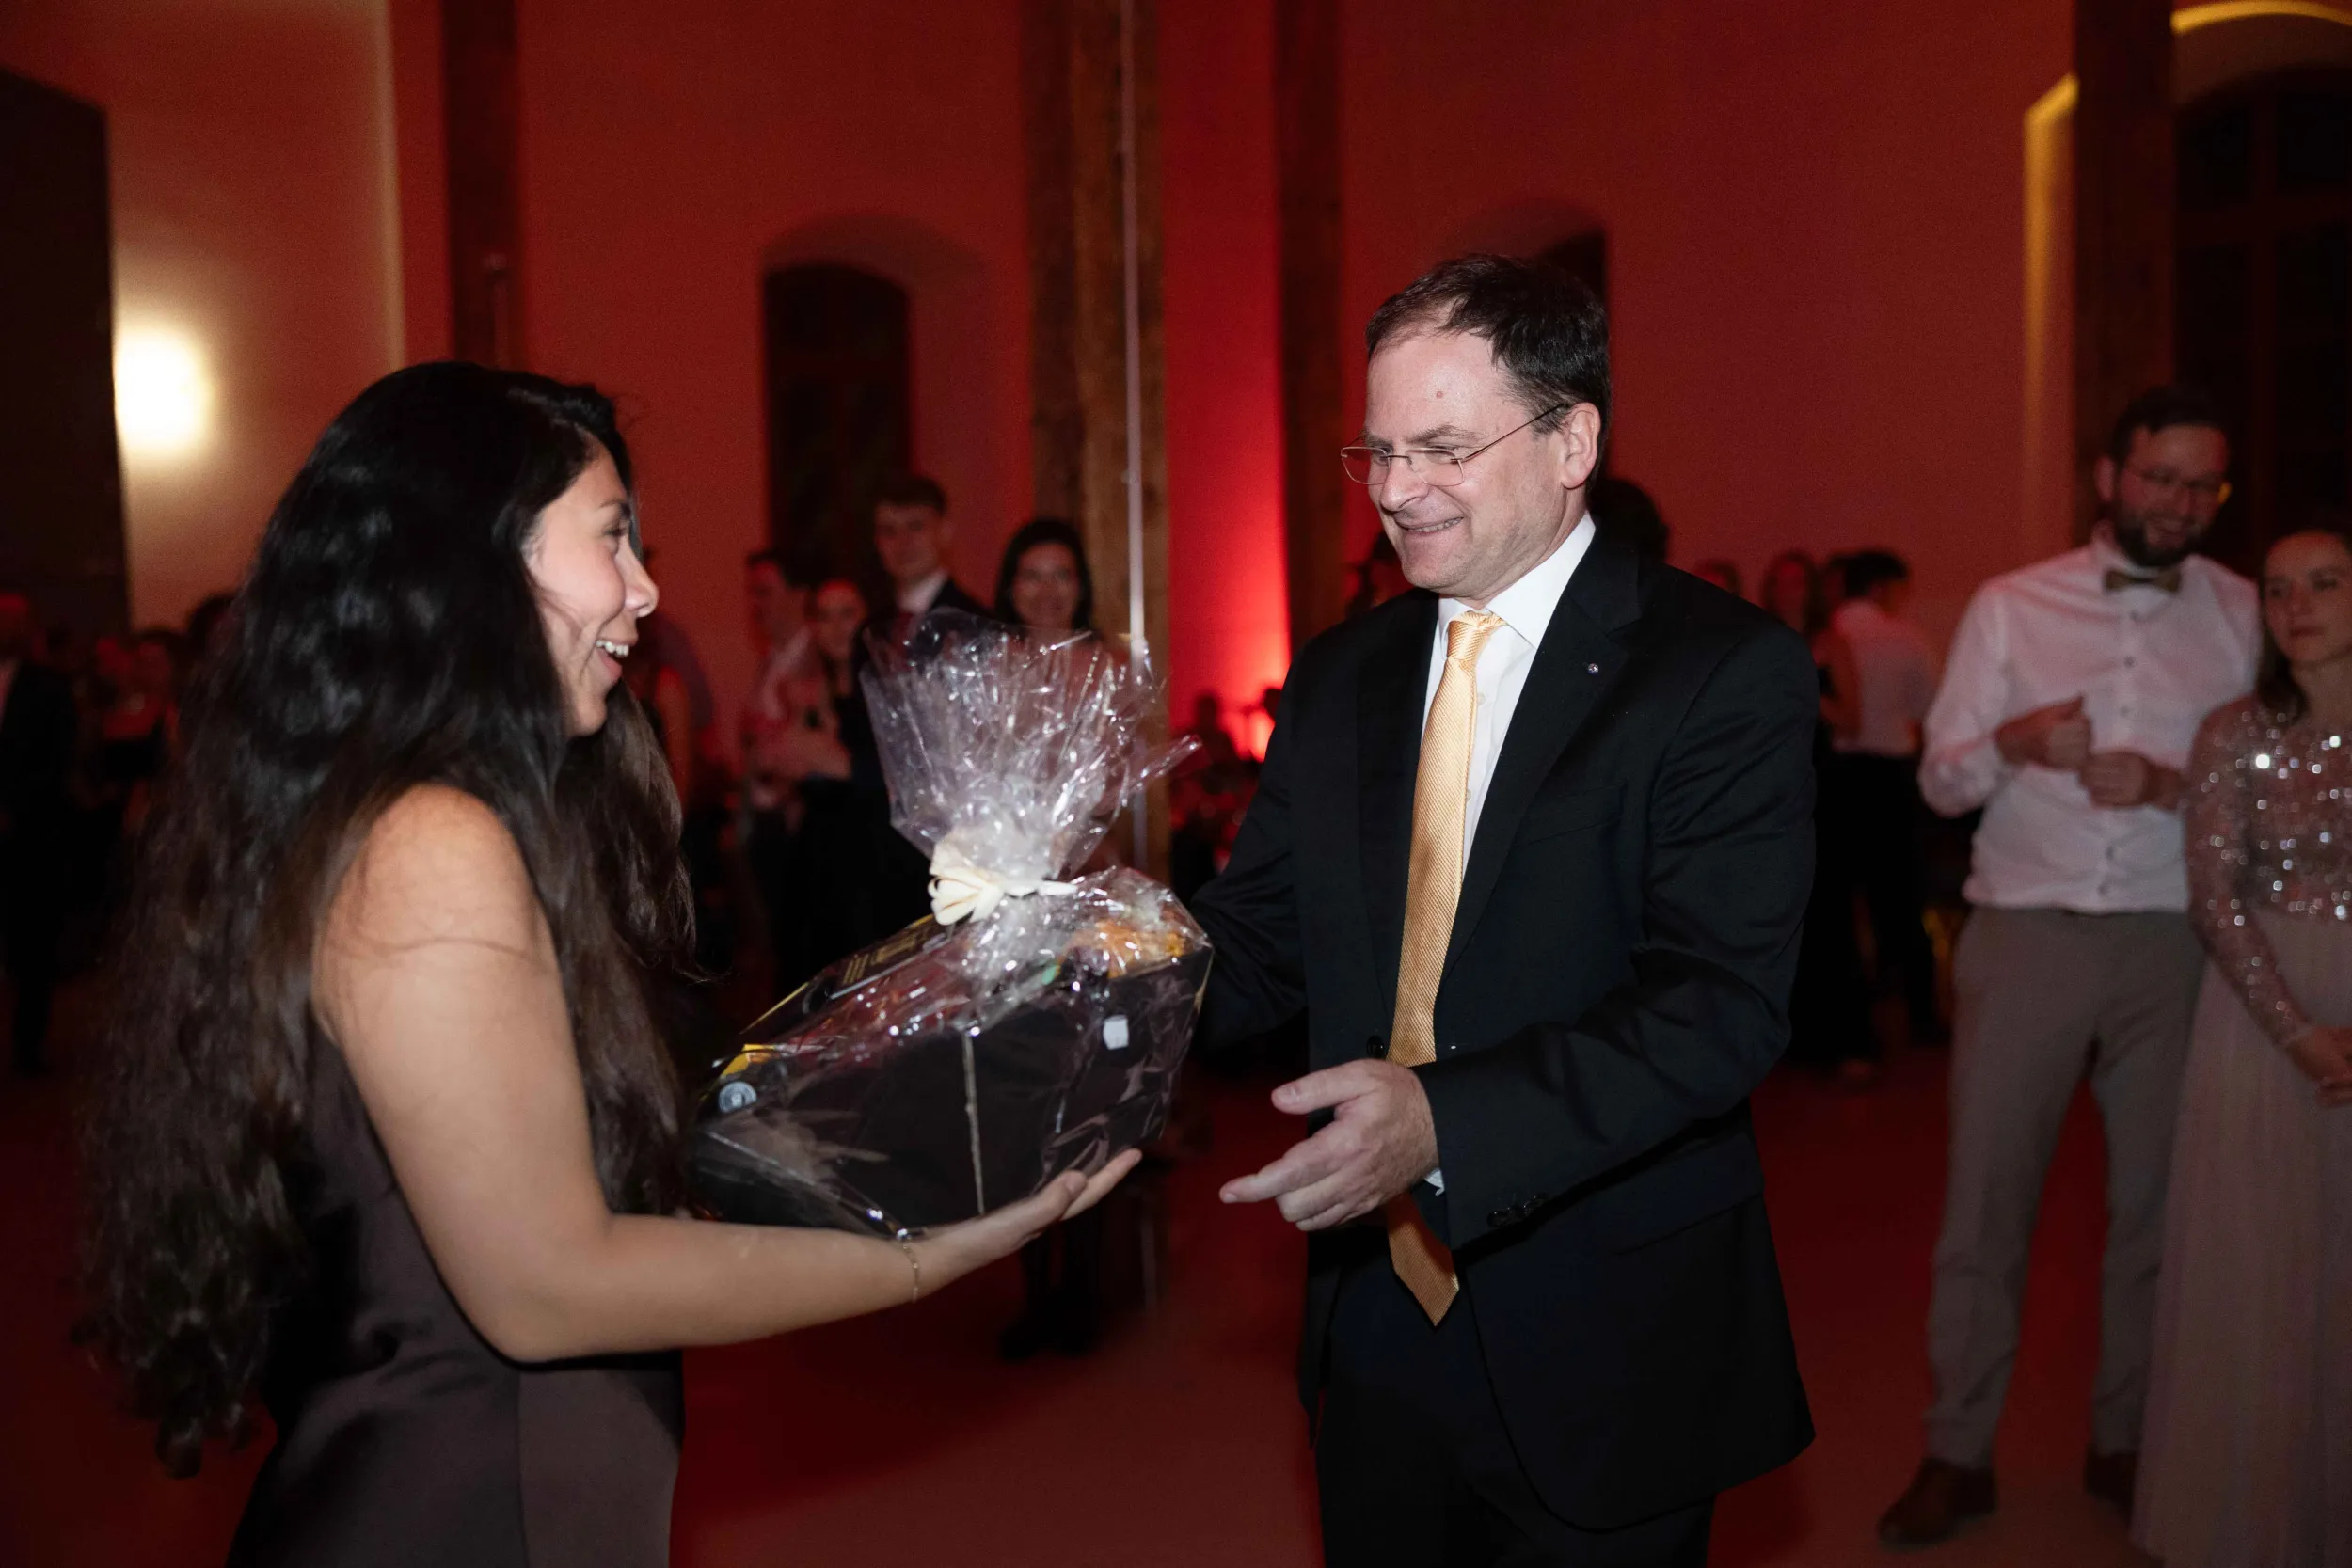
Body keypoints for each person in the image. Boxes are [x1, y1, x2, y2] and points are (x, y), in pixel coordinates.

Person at [78, 362, 1133, 1568]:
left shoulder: (434, 813)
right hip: (463, 1507)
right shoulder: (431, 841)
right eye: (611, 535)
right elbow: (546, 1284)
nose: (644, 587)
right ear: (477, 554)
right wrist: (925, 1254)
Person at [1193, 254, 1813, 1566]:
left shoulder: (1718, 670)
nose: (1394, 489)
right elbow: (1260, 939)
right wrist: (1090, 960)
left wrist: (1444, 1121)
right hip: (1375, 1314)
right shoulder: (1341, 674)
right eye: (1377, 451)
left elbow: (1717, 1007)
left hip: (1609, 1319)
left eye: (1442, 448)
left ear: (1572, 441)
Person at [1881, 385, 2260, 1544]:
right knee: (1985, 1203)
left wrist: (2174, 785)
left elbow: (2267, 794)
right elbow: (1939, 781)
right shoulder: (2011, 604)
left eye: (2201, 486)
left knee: (2156, 1211)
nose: (2178, 503)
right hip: (2026, 935)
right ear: (2109, 477)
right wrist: (2008, 743)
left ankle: (2125, 1437)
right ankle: (1957, 1448)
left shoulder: (2246, 613)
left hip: (2172, 940)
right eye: (2159, 478)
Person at [2134, 517, 2352, 1565]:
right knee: (2268, 1269)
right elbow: (2214, 898)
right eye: (2277, 588)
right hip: (2262, 1018)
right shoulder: (2232, 730)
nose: (2297, 606)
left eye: (2325, 583)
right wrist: (2297, 1030)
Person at [987, 518, 1113, 1360]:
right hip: (1008, 910)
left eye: (1061, 573)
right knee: (1022, 1103)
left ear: (1081, 585)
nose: (1046, 589)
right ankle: (1034, 1289)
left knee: (1091, 1097)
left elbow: (1114, 791)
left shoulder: (1107, 669)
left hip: (1088, 905)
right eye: (1030, 573)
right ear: (1009, 585)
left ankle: (1087, 1290)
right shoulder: (988, 671)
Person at [1762, 549, 1876, 1076]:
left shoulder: (1831, 644)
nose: (1791, 592)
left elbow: (1852, 721)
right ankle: (1790, 1038)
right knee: (1779, 910)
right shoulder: (1758, 637)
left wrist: (1804, 681)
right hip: (1770, 787)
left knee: (1831, 909)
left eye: (1798, 583)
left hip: (1821, 784)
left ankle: (1847, 1039)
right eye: (1782, 582)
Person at [1825, 549, 1943, 1045]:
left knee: (1838, 900)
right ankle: (1922, 1014)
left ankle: (1851, 1020)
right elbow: (1932, 706)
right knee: (1902, 897)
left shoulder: (1825, 636)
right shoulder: (1905, 638)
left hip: (1835, 777)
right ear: (1881, 587)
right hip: (1890, 775)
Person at [0, 589, 77, 1076]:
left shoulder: (49, 687)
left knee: (32, 944)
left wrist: (14, 809)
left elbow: (57, 758)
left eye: (15, 621)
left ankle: (28, 1046)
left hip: (30, 836)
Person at [872, 472, 985, 629]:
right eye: (889, 531)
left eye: (915, 527)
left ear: (945, 531)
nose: (902, 542)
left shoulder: (976, 625)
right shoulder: (871, 630)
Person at [992, 515, 1095, 635]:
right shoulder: (983, 646)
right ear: (1010, 588)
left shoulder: (1108, 647)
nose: (1047, 591)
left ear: (1081, 587)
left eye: (1061, 576)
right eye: (1032, 577)